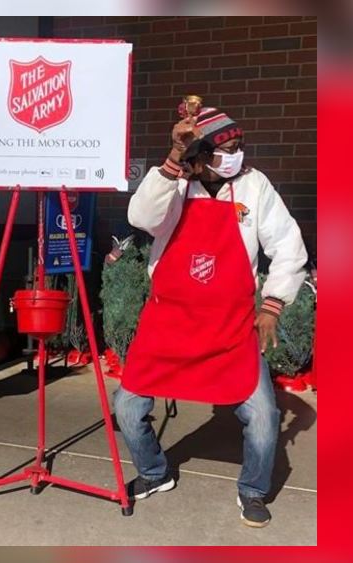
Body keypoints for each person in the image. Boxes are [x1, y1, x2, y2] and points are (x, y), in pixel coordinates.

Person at [116, 106, 308, 527]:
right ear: (200, 156)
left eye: (239, 147)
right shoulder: (175, 184)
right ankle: (154, 472)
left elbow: (289, 246)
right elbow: (141, 218)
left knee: (263, 417)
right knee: (127, 408)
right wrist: (172, 160)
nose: (237, 156)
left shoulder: (255, 186)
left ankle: (253, 490)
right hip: (169, 325)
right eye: (227, 149)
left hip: (231, 328)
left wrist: (272, 304)